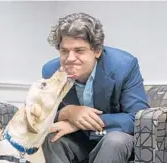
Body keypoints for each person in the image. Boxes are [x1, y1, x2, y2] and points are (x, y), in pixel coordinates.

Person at [41, 12, 150, 163]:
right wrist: (67, 112)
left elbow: (138, 118)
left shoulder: (124, 66)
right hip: (78, 142)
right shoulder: (50, 71)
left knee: (114, 141)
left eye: (79, 51)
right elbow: (42, 115)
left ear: (97, 51)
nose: (70, 58)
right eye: (64, 51)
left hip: (114, 137)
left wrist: (79, 123)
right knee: (52, 135)